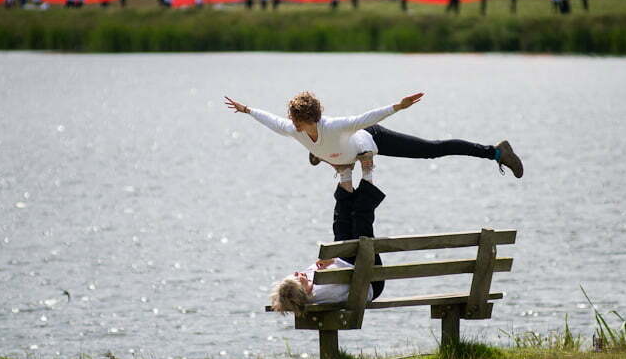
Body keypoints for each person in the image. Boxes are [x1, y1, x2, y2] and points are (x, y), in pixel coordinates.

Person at [224, 92, 524, 190]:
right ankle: (326, 157)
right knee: (334, 159)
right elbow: (270, 121)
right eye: (292, 119)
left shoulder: (335, 126)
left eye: (297, 120)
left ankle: (496, 152)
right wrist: (247, 110)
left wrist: (398, 107)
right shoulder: (293, 129)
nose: (292, 124)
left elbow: (367, 118)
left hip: (371, 138)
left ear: (311, 120)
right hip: (345, 152)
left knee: (432, 150)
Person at [270, 179, 386, 314]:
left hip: (348, 263)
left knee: (341, 224)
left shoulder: (309, 283)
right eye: (296, 278)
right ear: (304, 291)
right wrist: (332, 261)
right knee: (360, 223)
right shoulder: (324, 293)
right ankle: (367, 171)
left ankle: (345, 175)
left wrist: (326, 263)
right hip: (368, 279)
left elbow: (327, 268)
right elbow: (353, 284)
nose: (296, 273)